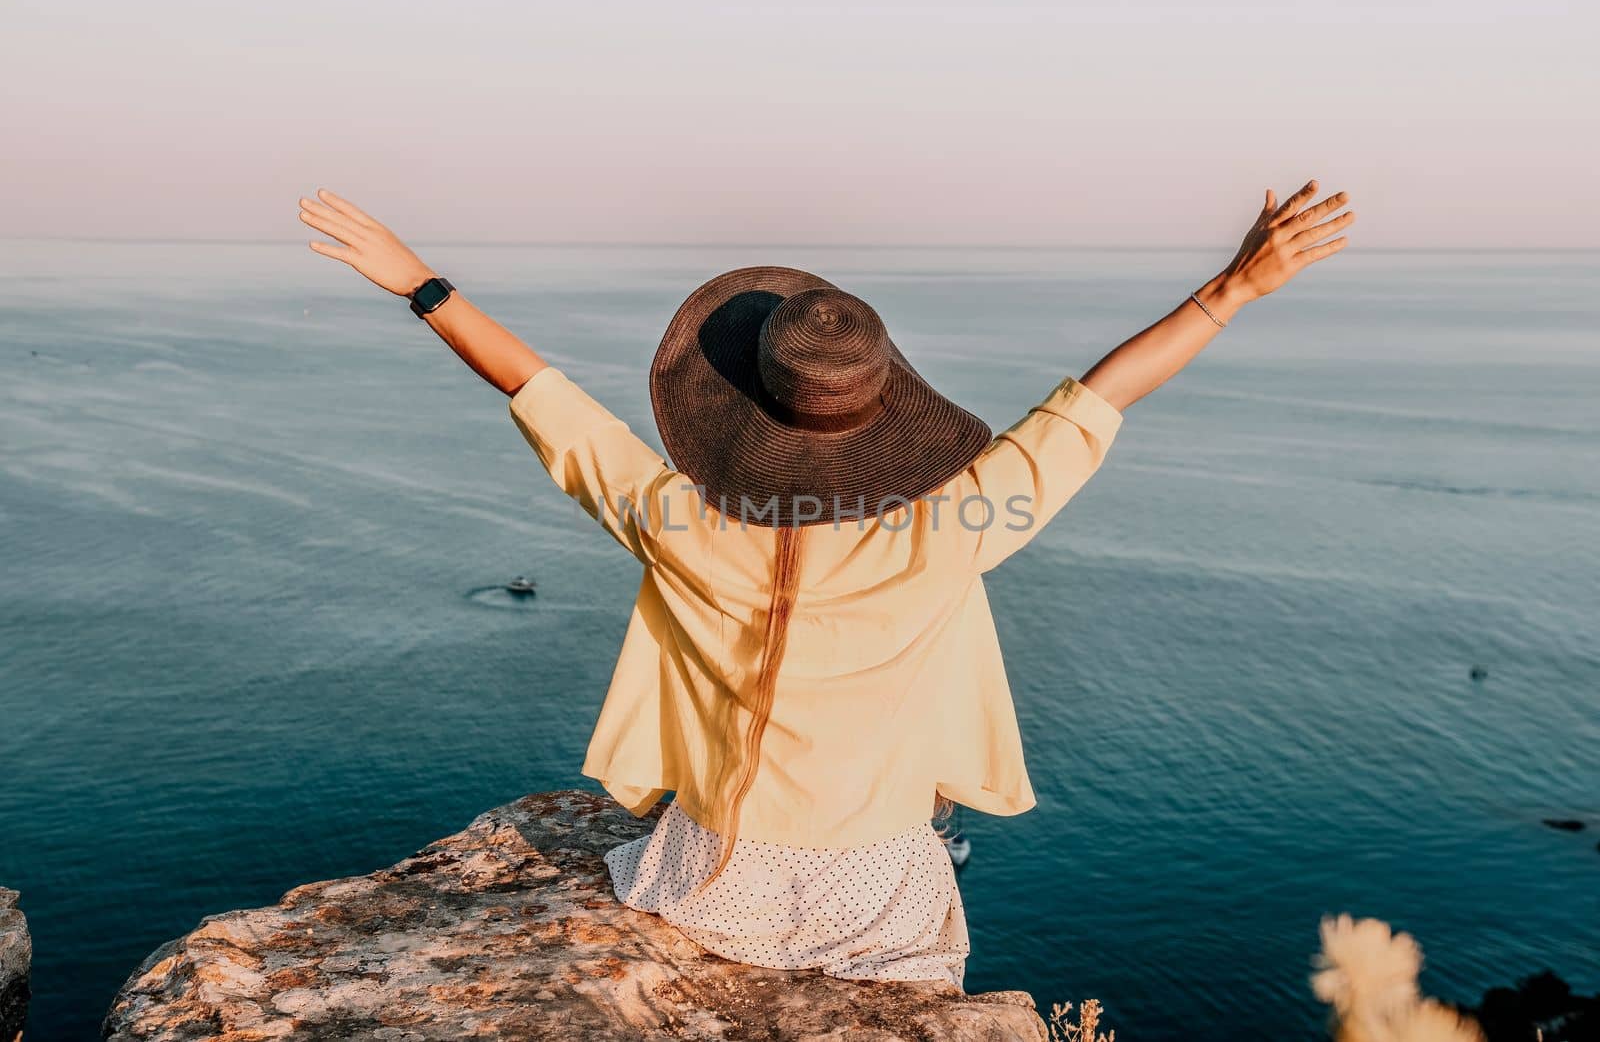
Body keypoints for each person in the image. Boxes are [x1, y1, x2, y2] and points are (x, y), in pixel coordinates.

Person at [297, 180, 1353, 988]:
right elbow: (1092, 402)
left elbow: (547, 397)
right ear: (882, 411)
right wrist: (1232, 288)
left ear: (742, 411)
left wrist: (422, 284)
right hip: (878, 887)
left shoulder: (681, 524)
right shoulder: (952, 526)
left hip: (710, 879)